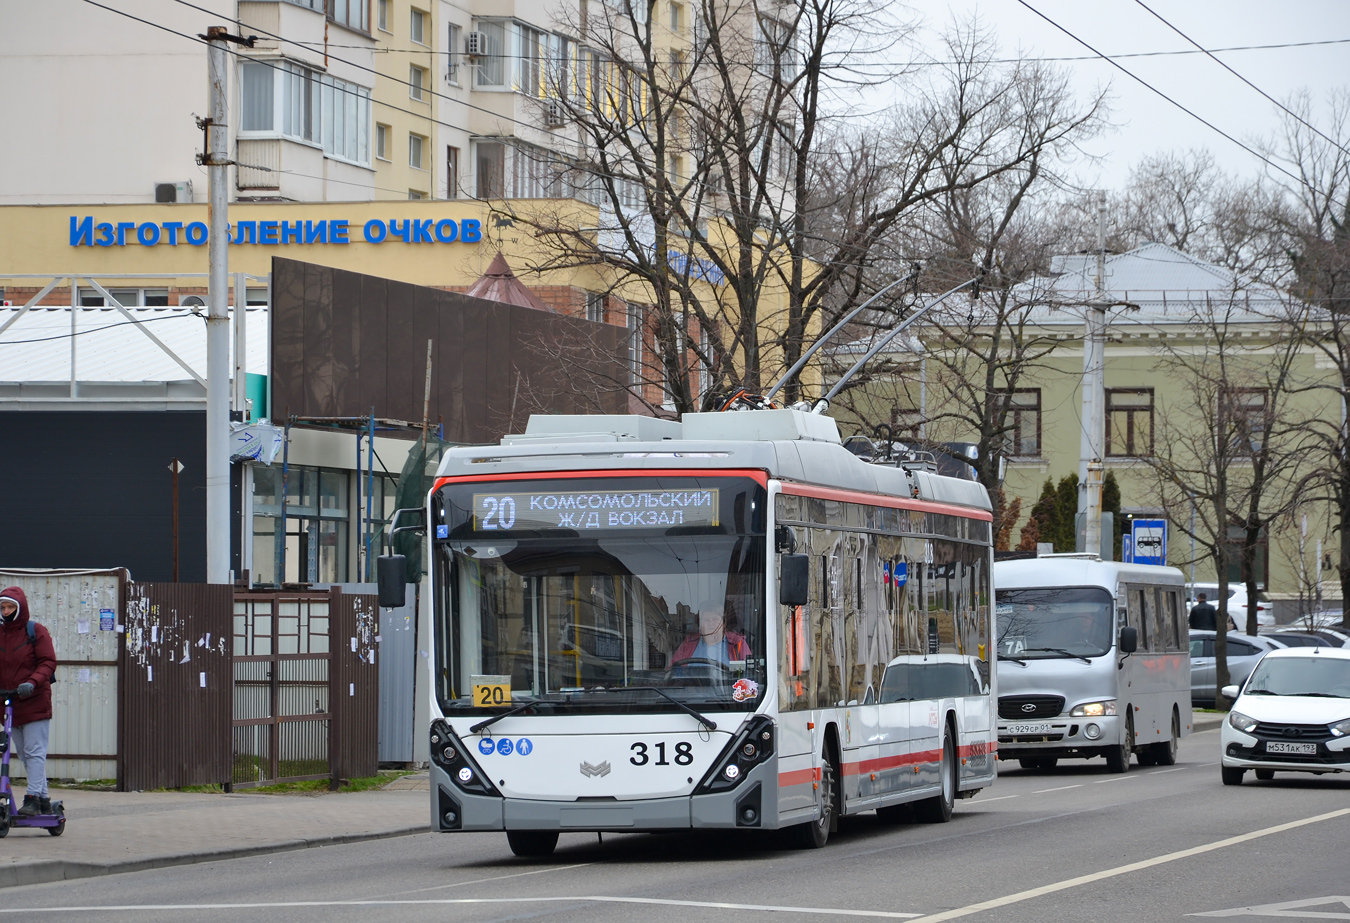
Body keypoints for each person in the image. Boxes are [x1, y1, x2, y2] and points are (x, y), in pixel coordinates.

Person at [0, 587, 58, 816]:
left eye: (10, 607)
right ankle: (43, 799)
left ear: (20, 607)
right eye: (3, 607)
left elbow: (48, 662)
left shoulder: (35, 631)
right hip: (10, 703)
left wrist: (32, 682)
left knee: (34, 752)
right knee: (24, 754)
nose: (6, 611)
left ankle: (33, 798)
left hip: (34, 701)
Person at [672, 603, 752, 666]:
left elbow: (749, 674)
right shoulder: (688, 644)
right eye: (706, 620)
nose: (711, 623)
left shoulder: (738, 644)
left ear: (723, 623)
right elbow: (673, 670)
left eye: (715, 619)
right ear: (700, 624)